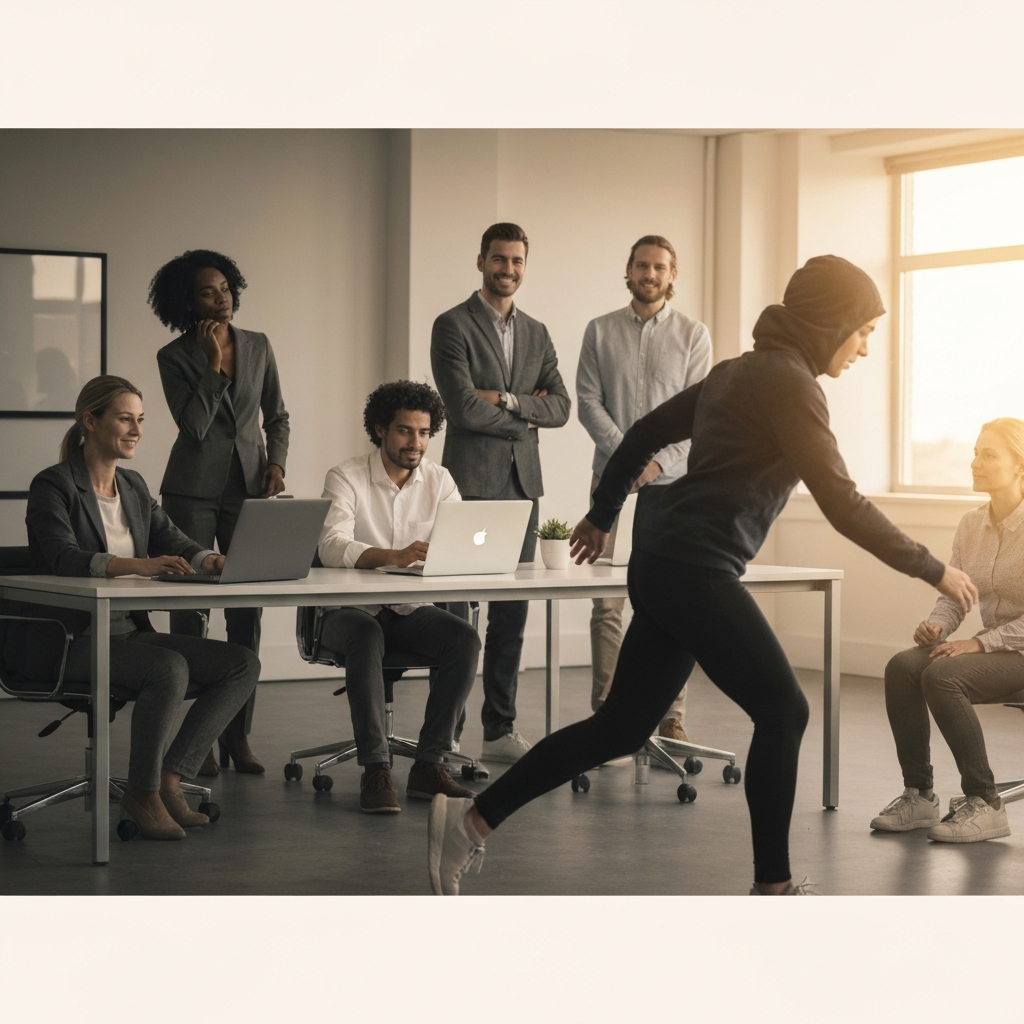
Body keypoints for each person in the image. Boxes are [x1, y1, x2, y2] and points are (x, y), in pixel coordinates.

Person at [425, 255, 979, 896]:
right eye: (863, 329)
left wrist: (605, 514)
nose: (864, 347)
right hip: (695, 571)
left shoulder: (738, 372)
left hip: (664, 562)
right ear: (831, 322)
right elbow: (842, 502)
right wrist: (934, 568)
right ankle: (772, 887)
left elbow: (641, 434)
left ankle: (466, 823)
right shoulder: (792, 385)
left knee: (620, 727)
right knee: (784, 709)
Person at [23, 376, 259, 840]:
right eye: (125, 418)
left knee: (240, 663)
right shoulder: (53, 485)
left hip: (127, 633)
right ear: (90, 421)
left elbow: (171, 537)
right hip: (70, 639)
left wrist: (208, 558)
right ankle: (142, 792)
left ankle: (169, 781)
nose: (136, 429)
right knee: (167, 668)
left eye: (141, 420)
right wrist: (140, 565)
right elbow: (60, 557)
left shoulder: (131, 485)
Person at [430, 222, 571, 764]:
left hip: (522, 490)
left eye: (516, 261)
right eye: (498, 259)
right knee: (459, 615)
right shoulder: (452, 325)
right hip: (470, 487)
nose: (507, 269)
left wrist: (508, 400)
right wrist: (524, 418)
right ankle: (446, 735)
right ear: (481, 260)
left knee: (512, 615)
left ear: (524, 265)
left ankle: (498, 730)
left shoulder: (536, 331)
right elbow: (461, 407)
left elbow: (559, 407)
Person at [148, 249, 290, 776]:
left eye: (227, 288)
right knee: (191, 618)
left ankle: (238, 735)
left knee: (246, 614)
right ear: (188, 301)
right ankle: (196, 739)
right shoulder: (174, 356)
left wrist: (275, 462)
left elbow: (277, 415)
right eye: (209, 292)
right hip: (190, 492)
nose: (222, 298)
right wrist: (211, 366)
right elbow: (194, 427)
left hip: (248, 491)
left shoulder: (258, 345)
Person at [317, 381, 483, 813]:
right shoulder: (346, 476)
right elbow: (331, 546)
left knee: (463, 639)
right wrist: (395, 555)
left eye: (424, 432)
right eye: (405, 431)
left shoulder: (440, 480)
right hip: (346, 612)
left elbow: (460, 541)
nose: (416, 443)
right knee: (366, 634)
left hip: (409, 610)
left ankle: (429, 765)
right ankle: (376, 769)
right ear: (380, 430)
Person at [576, 234, 712, 738]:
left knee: (669, 598)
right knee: (607, 602)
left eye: (659, 267)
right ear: (628, 270)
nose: (649, 274)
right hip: (609, 473)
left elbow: (700, 414)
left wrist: (652, 464)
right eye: (641, 265)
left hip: (671, 481)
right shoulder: (599, 330)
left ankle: (671, 715)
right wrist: (627, 457)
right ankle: (607, 714)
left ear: (672, 275)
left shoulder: (694, 335)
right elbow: (588, 402)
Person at [871, 417, 1024, 843]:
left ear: (1020, 466)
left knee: (943, 674)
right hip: (997, 651)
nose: (975, 462)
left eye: (989, 454)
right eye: (975, 452)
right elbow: (957, 592)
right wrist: (937, 626)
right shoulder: (972, 525)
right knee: (903, 666)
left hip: (1017, 653)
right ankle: (919, 795)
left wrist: (978, 643)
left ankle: (985, 802)